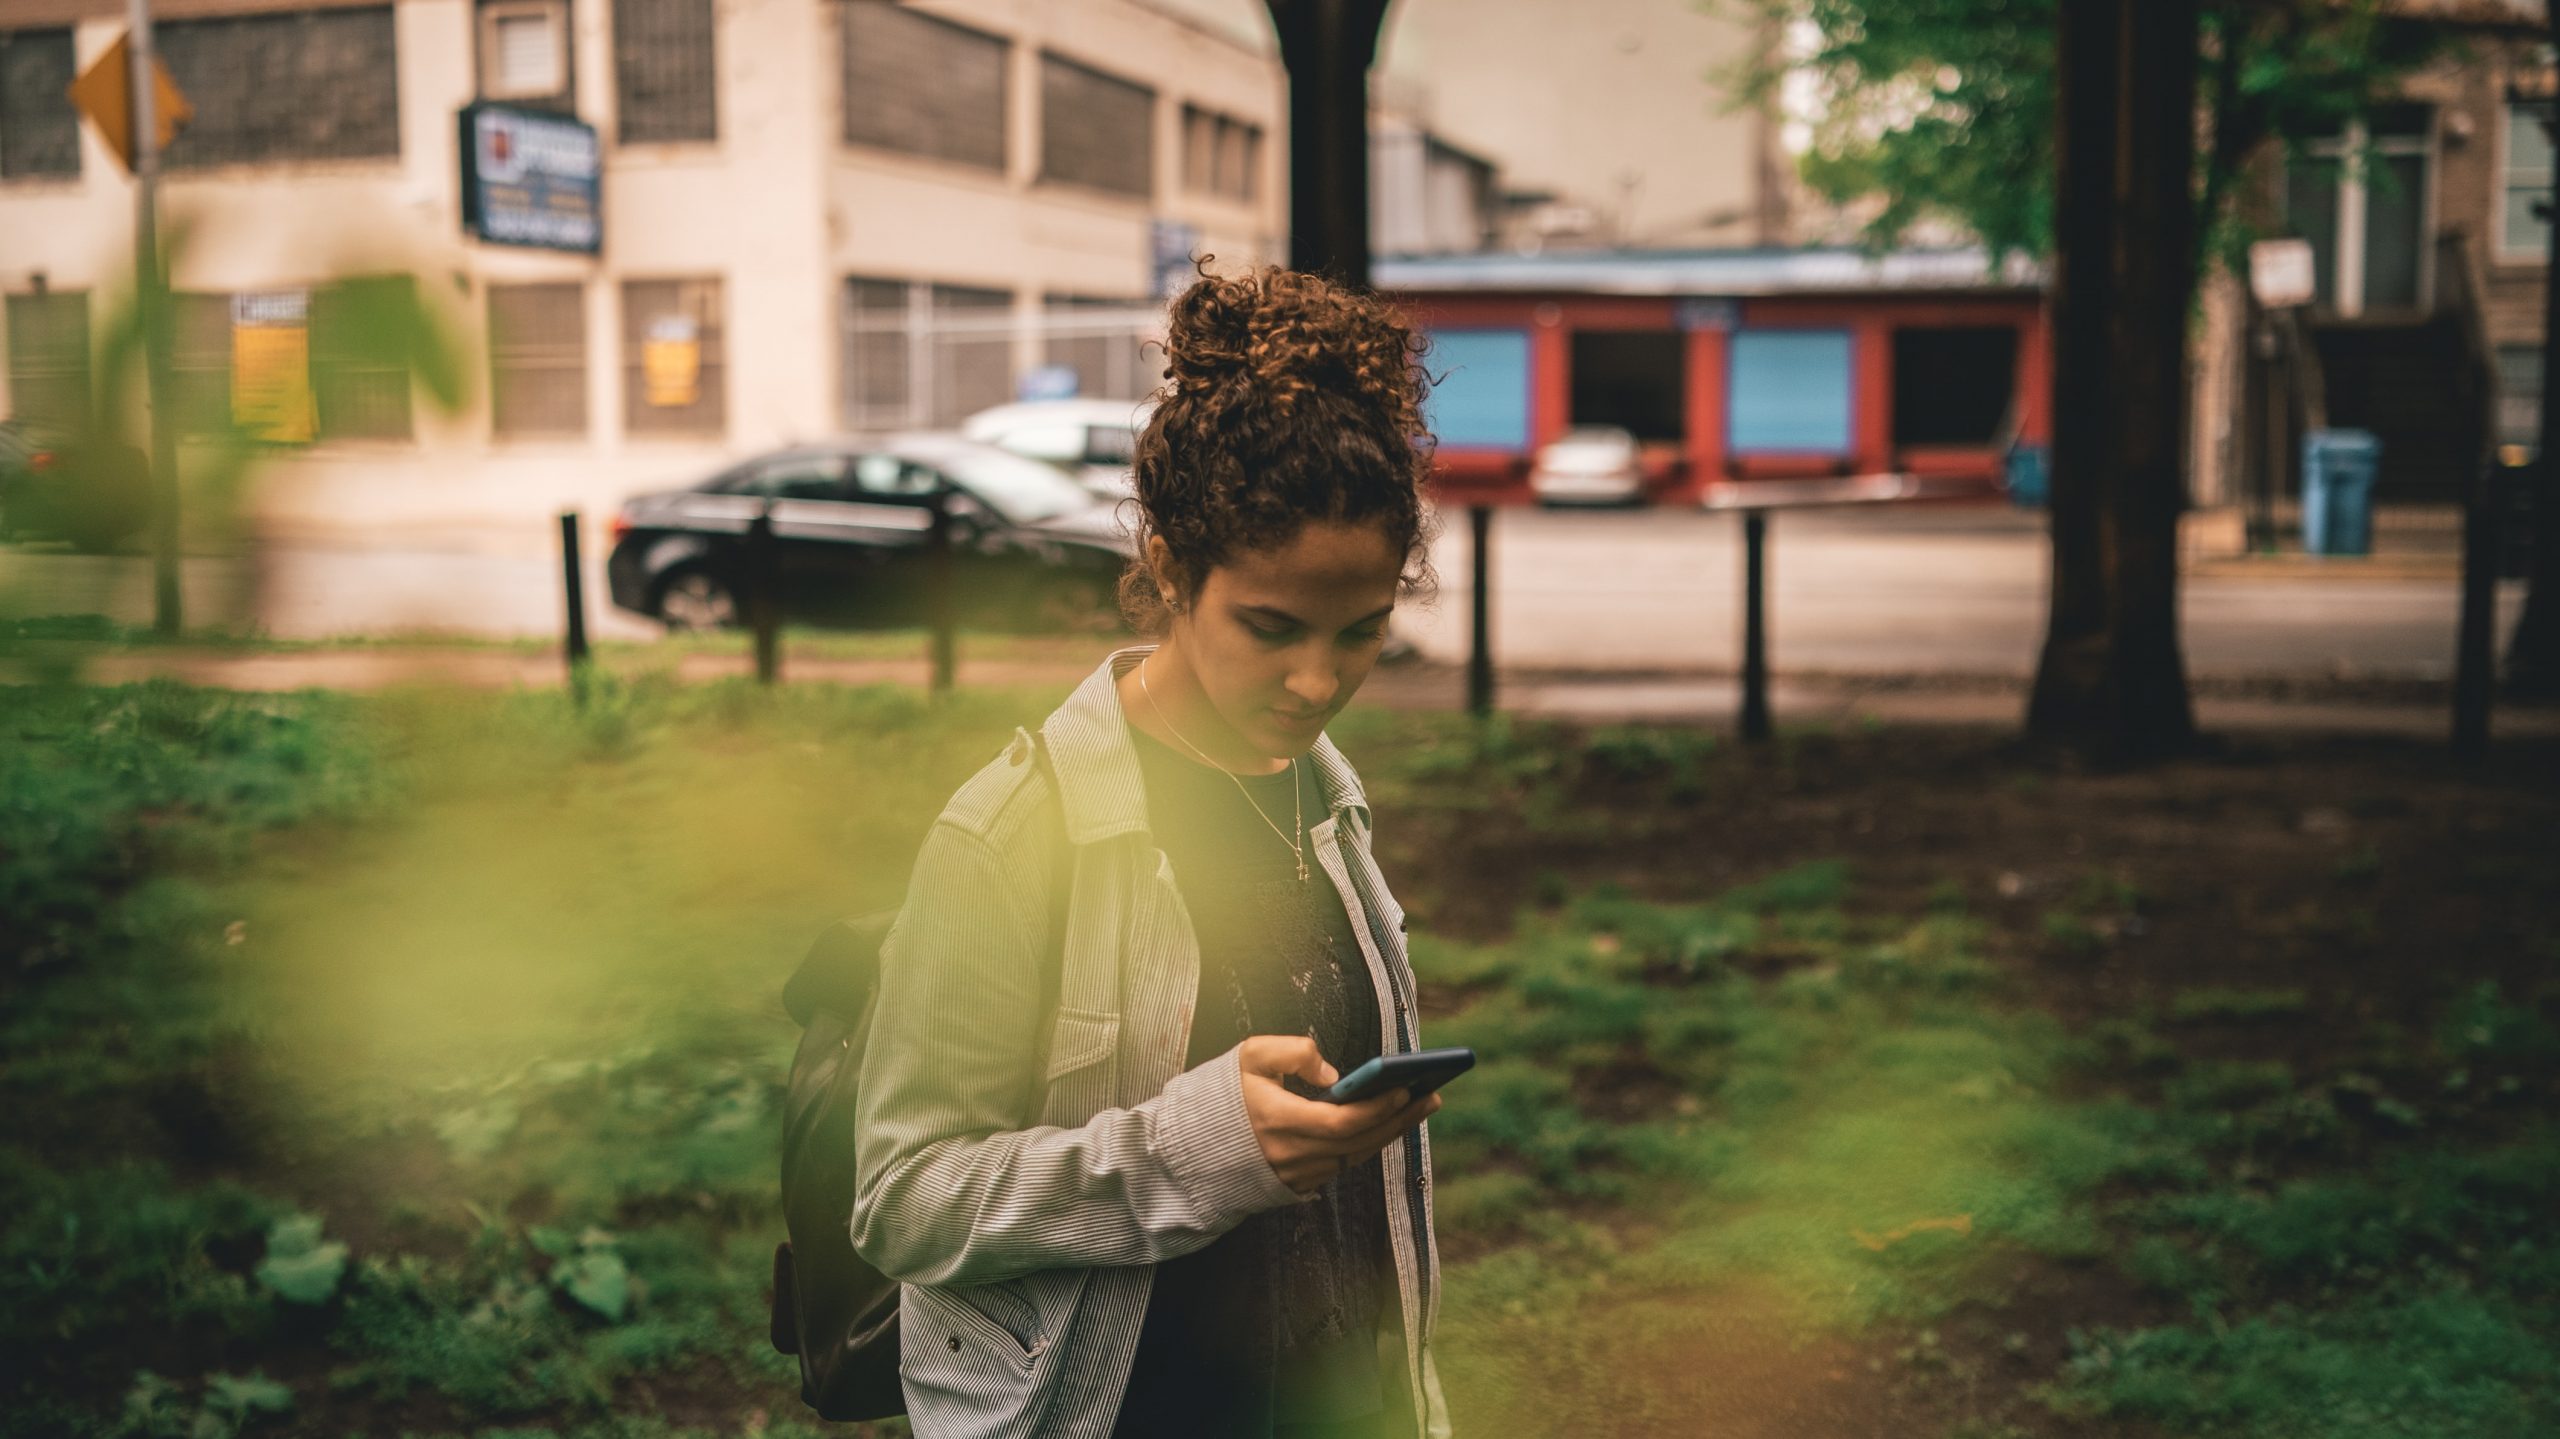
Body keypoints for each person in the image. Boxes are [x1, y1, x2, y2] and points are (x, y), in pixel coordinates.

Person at [849, 263, 1455, 1439]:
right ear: (1171, 569)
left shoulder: (1326, 797)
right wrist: (1189, 1151)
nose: (1319, 682)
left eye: (1363, 631)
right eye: (1270, 628)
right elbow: (901, 1200)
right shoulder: (1015, 829)